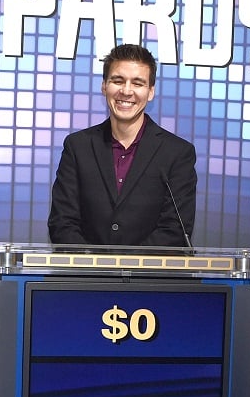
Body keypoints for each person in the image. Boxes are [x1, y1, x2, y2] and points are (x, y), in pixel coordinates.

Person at [48, 44, 197, 247]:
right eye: (118, 81)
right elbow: (62, 223)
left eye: (137, 83)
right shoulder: (78, 147)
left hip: (150, 277)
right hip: (87, 275)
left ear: (150, 91)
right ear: (104, 86)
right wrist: (97, 267)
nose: (126, 91)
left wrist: (125, 264)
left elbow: (174, 230)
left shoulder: (177, 153)